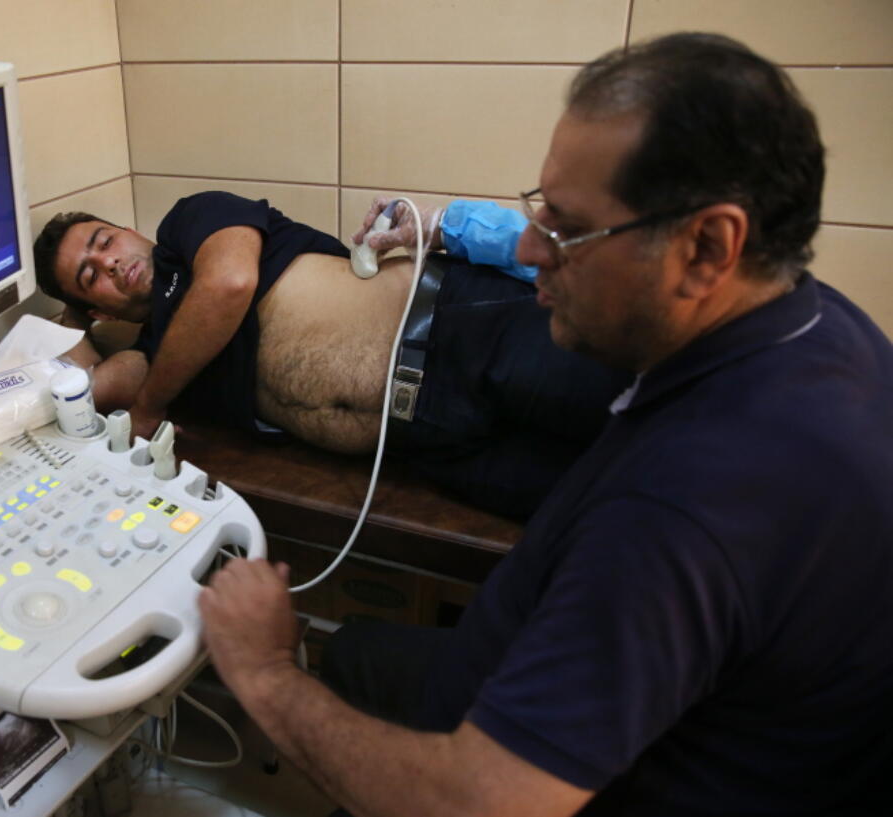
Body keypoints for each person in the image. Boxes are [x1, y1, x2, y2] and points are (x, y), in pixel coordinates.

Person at [198, 32, 893, 816]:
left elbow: (477, 803)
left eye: (565, 227)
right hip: (545, 682)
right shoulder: (816, 326)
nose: (532, 247)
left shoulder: (691, 507)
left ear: (708, 247)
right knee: (361, 652)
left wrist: (263, 670)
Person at [33, 192, 629, 518]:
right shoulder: (158, 356)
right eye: (91, 277)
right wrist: (77, 332)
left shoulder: (192, 222)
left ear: (131, 231)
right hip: (428, 445)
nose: (109, 262)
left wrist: (149, 408)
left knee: (662, 429)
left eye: (104, 240)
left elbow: (230, 284)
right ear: (99, 309)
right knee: (610, 511)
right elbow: (79, 381)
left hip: (462, 333)